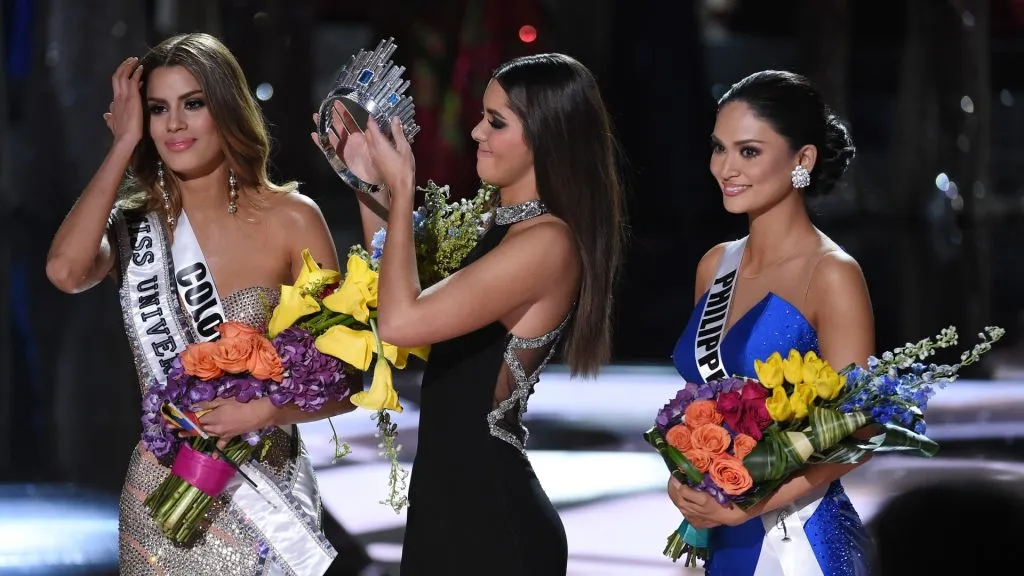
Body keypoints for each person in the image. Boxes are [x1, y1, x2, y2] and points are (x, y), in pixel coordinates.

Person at [45, 33, 351, 575]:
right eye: (158, 109)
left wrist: (261, 412)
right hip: (159, 495)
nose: (174, 124)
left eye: (193, 104)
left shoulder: (292, 218)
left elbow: (347, 375)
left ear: (226, 106)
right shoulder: (135, 228)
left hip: (264, 497)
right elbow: (65, 272)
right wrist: (121, 147)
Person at [323, 52, 624, 574]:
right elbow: (393, 285)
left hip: (489, 519)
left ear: (547, 136)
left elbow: (401, 321)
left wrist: (400, 192)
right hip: (450, 502)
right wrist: (369, 184)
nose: (478, 132)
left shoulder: (546, 242)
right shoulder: (501, 227)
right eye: (484, 116)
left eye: (497, 122)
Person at [666, 70, 873, 575]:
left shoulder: (832, 274)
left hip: (799, 541)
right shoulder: (715, 265)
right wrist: (684, 473)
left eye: (749, 151)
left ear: (802, 160)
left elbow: (862, 431)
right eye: (719, 148)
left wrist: (750, 503)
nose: (726, 168)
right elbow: (702, 405)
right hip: (724, 538)